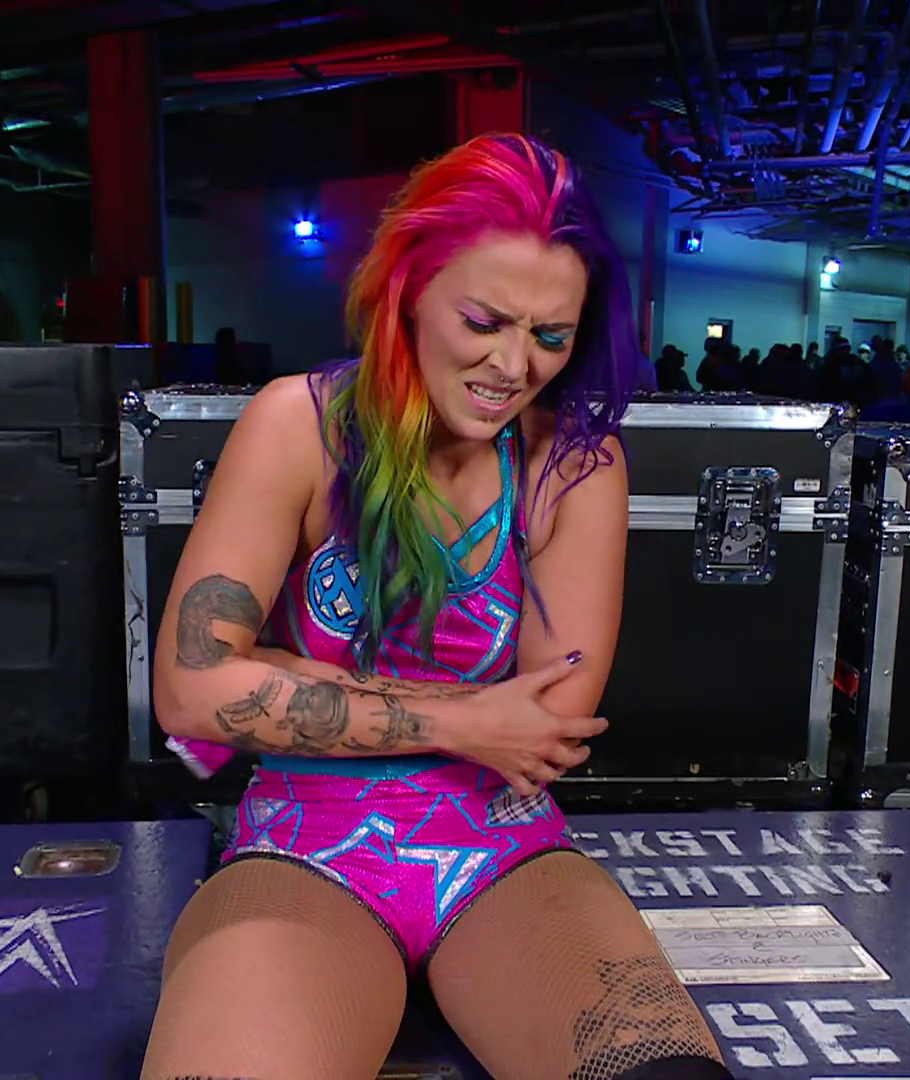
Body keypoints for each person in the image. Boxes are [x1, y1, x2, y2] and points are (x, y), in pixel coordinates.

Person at [142, 133, 733, 1080]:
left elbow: (549, 724)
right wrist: (465, 719)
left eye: (551, 336)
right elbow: (189, 692)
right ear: (412, 288)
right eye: (484, 321)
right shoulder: (299, 424)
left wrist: (284, 672)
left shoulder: (573, 466)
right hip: (304, 848)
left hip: (504, 853)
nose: (514, 365)